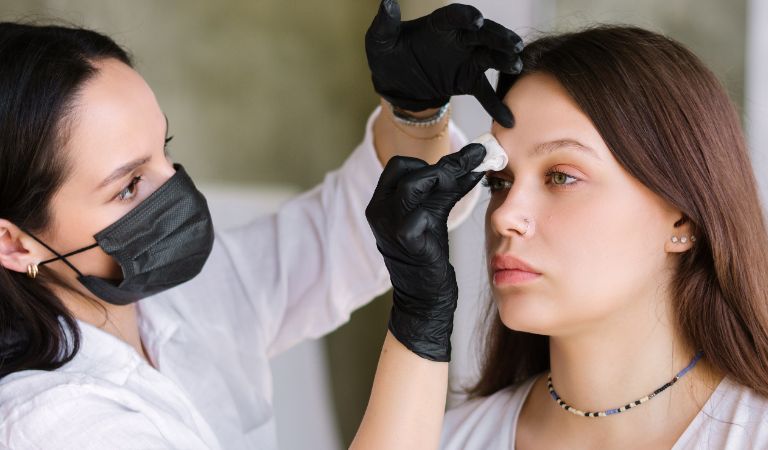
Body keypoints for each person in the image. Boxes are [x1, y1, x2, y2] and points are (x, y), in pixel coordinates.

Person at [0, 1, 523, 448]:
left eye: (164, 149)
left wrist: (413, 112)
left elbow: (342, 233)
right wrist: (420, 321)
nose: (178, 189)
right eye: (129, 186)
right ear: (14, 243)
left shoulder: (179, 301)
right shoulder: (50, 424)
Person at [363, 25, 768, 449]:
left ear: (683, 221)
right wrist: (418, 316)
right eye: (499, 182)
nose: (504, 217)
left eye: (561, 176)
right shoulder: (448, 440)